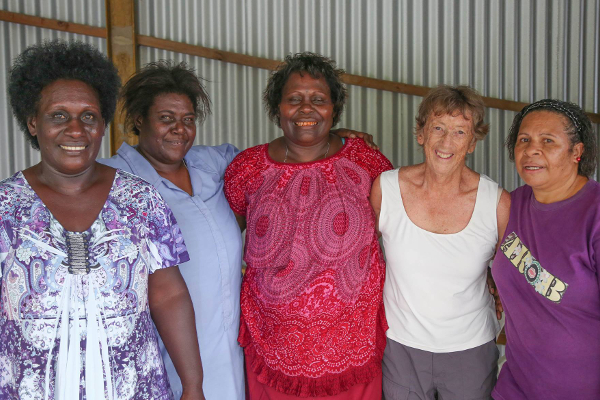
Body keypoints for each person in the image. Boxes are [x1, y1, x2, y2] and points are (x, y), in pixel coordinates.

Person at [101, 60, 376, 400]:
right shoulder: (112, 181)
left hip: (232, 342)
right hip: (163, 345)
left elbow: (293, 158)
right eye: (166, 118)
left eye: (188, 120)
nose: (180, 129)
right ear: (139, 119)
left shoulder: (211, 164)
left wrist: (336, 135)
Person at [1, 40, 204, 400]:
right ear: (33, 122)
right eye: (59, 115)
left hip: (134, 388)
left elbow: (169, 295)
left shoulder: (140, 200)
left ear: (103, 122)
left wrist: (192, 386)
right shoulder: (5, 208)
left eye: (88, 116)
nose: (76, 130)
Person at [224, 52, 393, 400]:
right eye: (294, 99)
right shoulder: (247, 168)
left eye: (318, 99)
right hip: (272, 345)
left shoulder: (365, 160)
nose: (306, 109)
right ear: (276, 107)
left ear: (334, 108)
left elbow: (399, 228)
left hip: (352, 348)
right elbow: (226, 237)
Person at [370, 85, 510, 400]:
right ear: (421, 134)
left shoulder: (496, 202)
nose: (446, 142)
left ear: (473, 142)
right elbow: (358, 253)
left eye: (460, 132)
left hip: (470, 348)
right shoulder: (387, 189)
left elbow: (514, 271)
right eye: (438, 128)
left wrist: (495, 278)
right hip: (401, 346)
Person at [492, 99, 600, 400]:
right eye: (523, 140)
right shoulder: (509, 205)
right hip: (515, 387)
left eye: (548, 141)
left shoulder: (595, 213)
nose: (531, 150)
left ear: (576, 152)